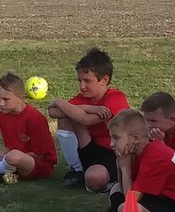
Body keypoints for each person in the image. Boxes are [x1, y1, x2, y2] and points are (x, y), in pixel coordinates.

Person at [100, 108, 175, 212]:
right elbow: (124, 187)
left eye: (116, 138)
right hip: (163, 198)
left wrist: (125, 167)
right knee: (116, 188)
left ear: (136, 138)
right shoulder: (141, 150)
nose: (111, 144)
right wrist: (120, 164)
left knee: (127, 207)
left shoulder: (154, 156)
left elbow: (131, 200)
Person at [48, 47, 129, 191]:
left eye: (87, 81)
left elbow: (87, 120)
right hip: (89, 148)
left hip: (112, 153)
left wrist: (60, 103)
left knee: (94, 179)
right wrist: (87, 107)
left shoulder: (116, 99)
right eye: (79, 81)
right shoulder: (84, 99)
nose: (82, 86)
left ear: (104, 80)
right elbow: (53, 112)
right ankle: (77, 170)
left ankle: (112, 183)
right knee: (66, 118)